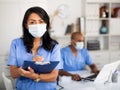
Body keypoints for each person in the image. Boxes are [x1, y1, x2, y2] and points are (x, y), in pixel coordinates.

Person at [7, 6, 62, 90]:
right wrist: (27, 66)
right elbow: (14, 74)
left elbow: (53, 76)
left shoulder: (54, 46)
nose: (37, 25)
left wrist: (34, 76)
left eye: (41, 21)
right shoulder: (16, 44)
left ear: (46, 24)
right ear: (26, 25)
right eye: (32, 22)